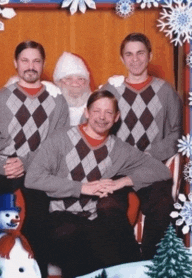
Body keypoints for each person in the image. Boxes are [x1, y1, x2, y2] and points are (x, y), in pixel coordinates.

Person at [25, 90, 171, 277]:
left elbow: (162, 170)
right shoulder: (61, 139)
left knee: (119, 253)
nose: (102, 117)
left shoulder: (120, 149)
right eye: (96, 111)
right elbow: (33, 178)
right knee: (78, 246)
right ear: (86, 112)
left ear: (116, 117)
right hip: (60, 217)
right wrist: (81, 188)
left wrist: (123, 181)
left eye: (108, 112)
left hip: (94, 222)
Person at [0, 41, 69, 278]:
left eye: (36, 61)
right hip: (3, 169)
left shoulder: (57, 100)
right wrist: (0, 166)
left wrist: (26, 163)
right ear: (16, 63)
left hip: (37, 170)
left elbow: (56, 144)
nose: (31, 66)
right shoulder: (0, 98)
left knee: (38, 220)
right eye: (25, 61)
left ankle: (35, 270)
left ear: (43, 64)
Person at [100, 32, 183, 259]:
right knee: (106, 207)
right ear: (122, 58)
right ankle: (129, 261)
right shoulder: (111, 89)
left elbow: (177, 135)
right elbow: (97, 130)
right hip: (118, 170)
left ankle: (148, 263)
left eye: (140, 53)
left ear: (150, 56)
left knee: (164, 204)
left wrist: (147, 155)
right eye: (129, 54)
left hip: (151, 169)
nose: (134, 59)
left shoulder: (166, 92)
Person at [53, 51, 91, 126]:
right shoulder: (52, 106)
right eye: (68, 79)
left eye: (80, 79)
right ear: (59, 82)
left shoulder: (95, 105)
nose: (74, 83)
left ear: (86, 82)